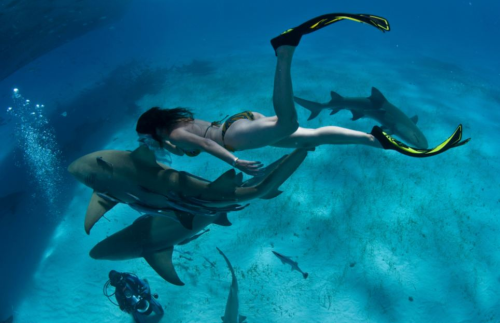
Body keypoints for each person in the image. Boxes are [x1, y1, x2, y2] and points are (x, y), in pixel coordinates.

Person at [136, 13, 469, 176]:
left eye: (144, 138)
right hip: (239, 124)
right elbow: (191, 146)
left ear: (153, 129)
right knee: (310, 137)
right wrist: (162, 146)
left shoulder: (177, 132)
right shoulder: (179, 124)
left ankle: (284, 52)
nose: (145, 143)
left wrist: (236, 161)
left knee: (288, 120)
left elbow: (208, 145)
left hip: (234, 137)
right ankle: (376, 140)